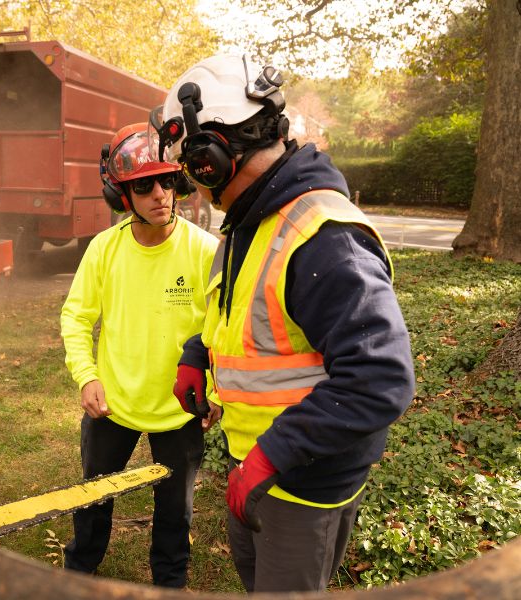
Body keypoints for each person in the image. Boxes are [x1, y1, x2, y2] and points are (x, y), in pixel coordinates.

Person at [153, 55, 416, 593]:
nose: (190, 182)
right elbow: (238, 317)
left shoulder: (322, 235)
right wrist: (196, 354)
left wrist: (272, 454)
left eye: (188, 165)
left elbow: (380, 380)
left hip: (303, 480)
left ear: (211, 159)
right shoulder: (249, 222)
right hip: (258, 464)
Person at [60, 122, 219, 588]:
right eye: (144, 185)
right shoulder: (104, 250)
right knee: (94, 496)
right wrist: (87, 377)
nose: (160, 194)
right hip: (113, 403)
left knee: (175, 509)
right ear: (121, 195)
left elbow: (223, 331)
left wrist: (218, 390)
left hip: (180, 408)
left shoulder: (206, 251)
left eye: (167, 181)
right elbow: (75, 317)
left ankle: (169, 582)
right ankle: (80, 569)